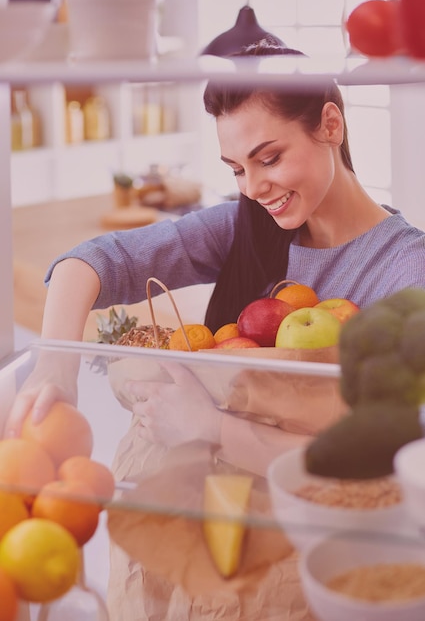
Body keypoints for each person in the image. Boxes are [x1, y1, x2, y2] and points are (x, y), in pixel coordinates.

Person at [6, 37, 425, 619]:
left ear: (331, 124)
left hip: (302, 554)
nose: (254, 187)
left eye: (269, 157)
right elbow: (93, 260)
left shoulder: (406, 269)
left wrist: (209, 427)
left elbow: (391, 462)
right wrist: (57, 363)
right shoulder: (245, 225)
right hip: (189, 524)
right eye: (237, 168)